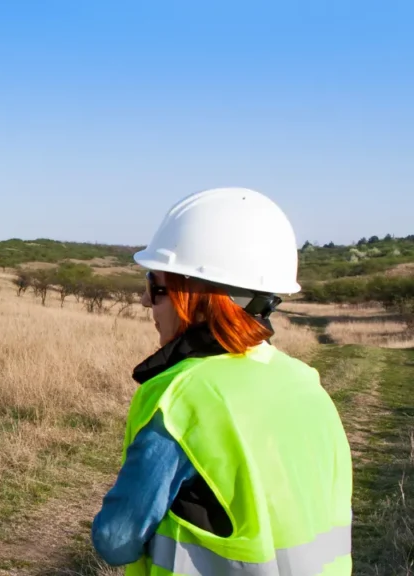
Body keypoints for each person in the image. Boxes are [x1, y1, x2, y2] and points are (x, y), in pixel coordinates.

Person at [90, 187, 353, 575]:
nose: (146, 302)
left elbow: (116, 540)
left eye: (155, 286)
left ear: (195, 297)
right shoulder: (306, 382)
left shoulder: (181, 397)